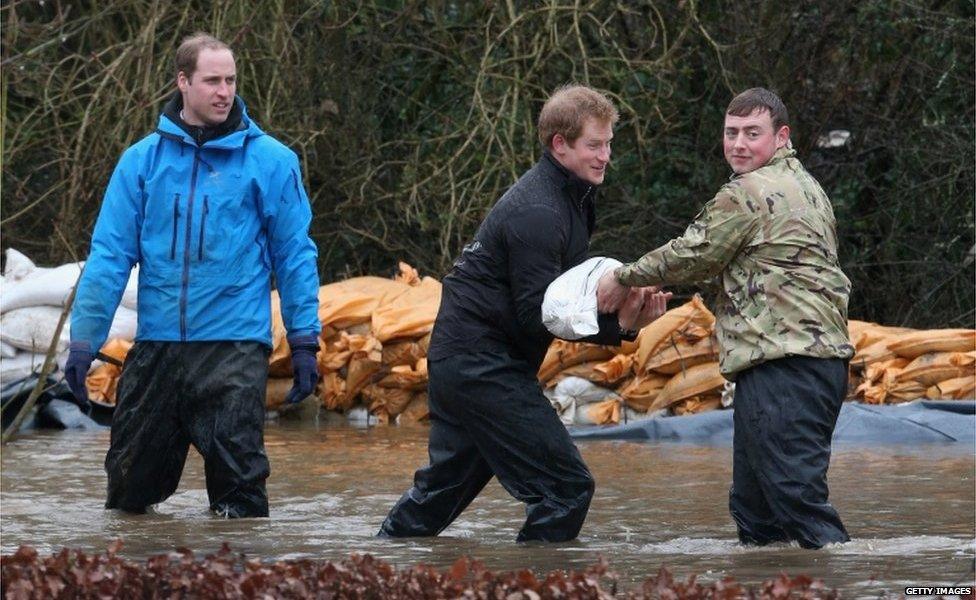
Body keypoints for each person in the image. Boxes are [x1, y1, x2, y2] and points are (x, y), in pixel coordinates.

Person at [379, 85, 670, 542]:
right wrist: (621, 326)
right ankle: (534, 586)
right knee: (567, 489)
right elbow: (540, 313)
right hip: (482, 367)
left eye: (609, 143)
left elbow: (564, 296)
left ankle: (375, 567)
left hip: (466, 362)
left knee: (438, 496)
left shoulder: (571, 200)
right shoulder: (539, 210)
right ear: (560, 144)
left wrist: (623, 315)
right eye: (594, 144)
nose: (606, 155)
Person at [63, 33, 321, 518]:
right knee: (126, 496)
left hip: (234, 349)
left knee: (240, 499)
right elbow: (109, 257)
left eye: (231, 80)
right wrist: (84, 341)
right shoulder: (140, 164)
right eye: (212, 81)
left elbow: (295, 256)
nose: (224, 91)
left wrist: (305, 339)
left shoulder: (272, 162)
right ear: (183, 82)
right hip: (158, 347)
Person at [597, 87, 855, 549]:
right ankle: (769, 584)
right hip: (805, 365)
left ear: (781, 136)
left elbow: (695, 254)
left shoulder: (749, 191)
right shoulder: (806, 186)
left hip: (786, 365)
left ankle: (858, 582)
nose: (738, 144)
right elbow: (748, 268)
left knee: (796, 499)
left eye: (751, 133)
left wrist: (624, 277)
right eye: (731, 133)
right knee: (754, 506)